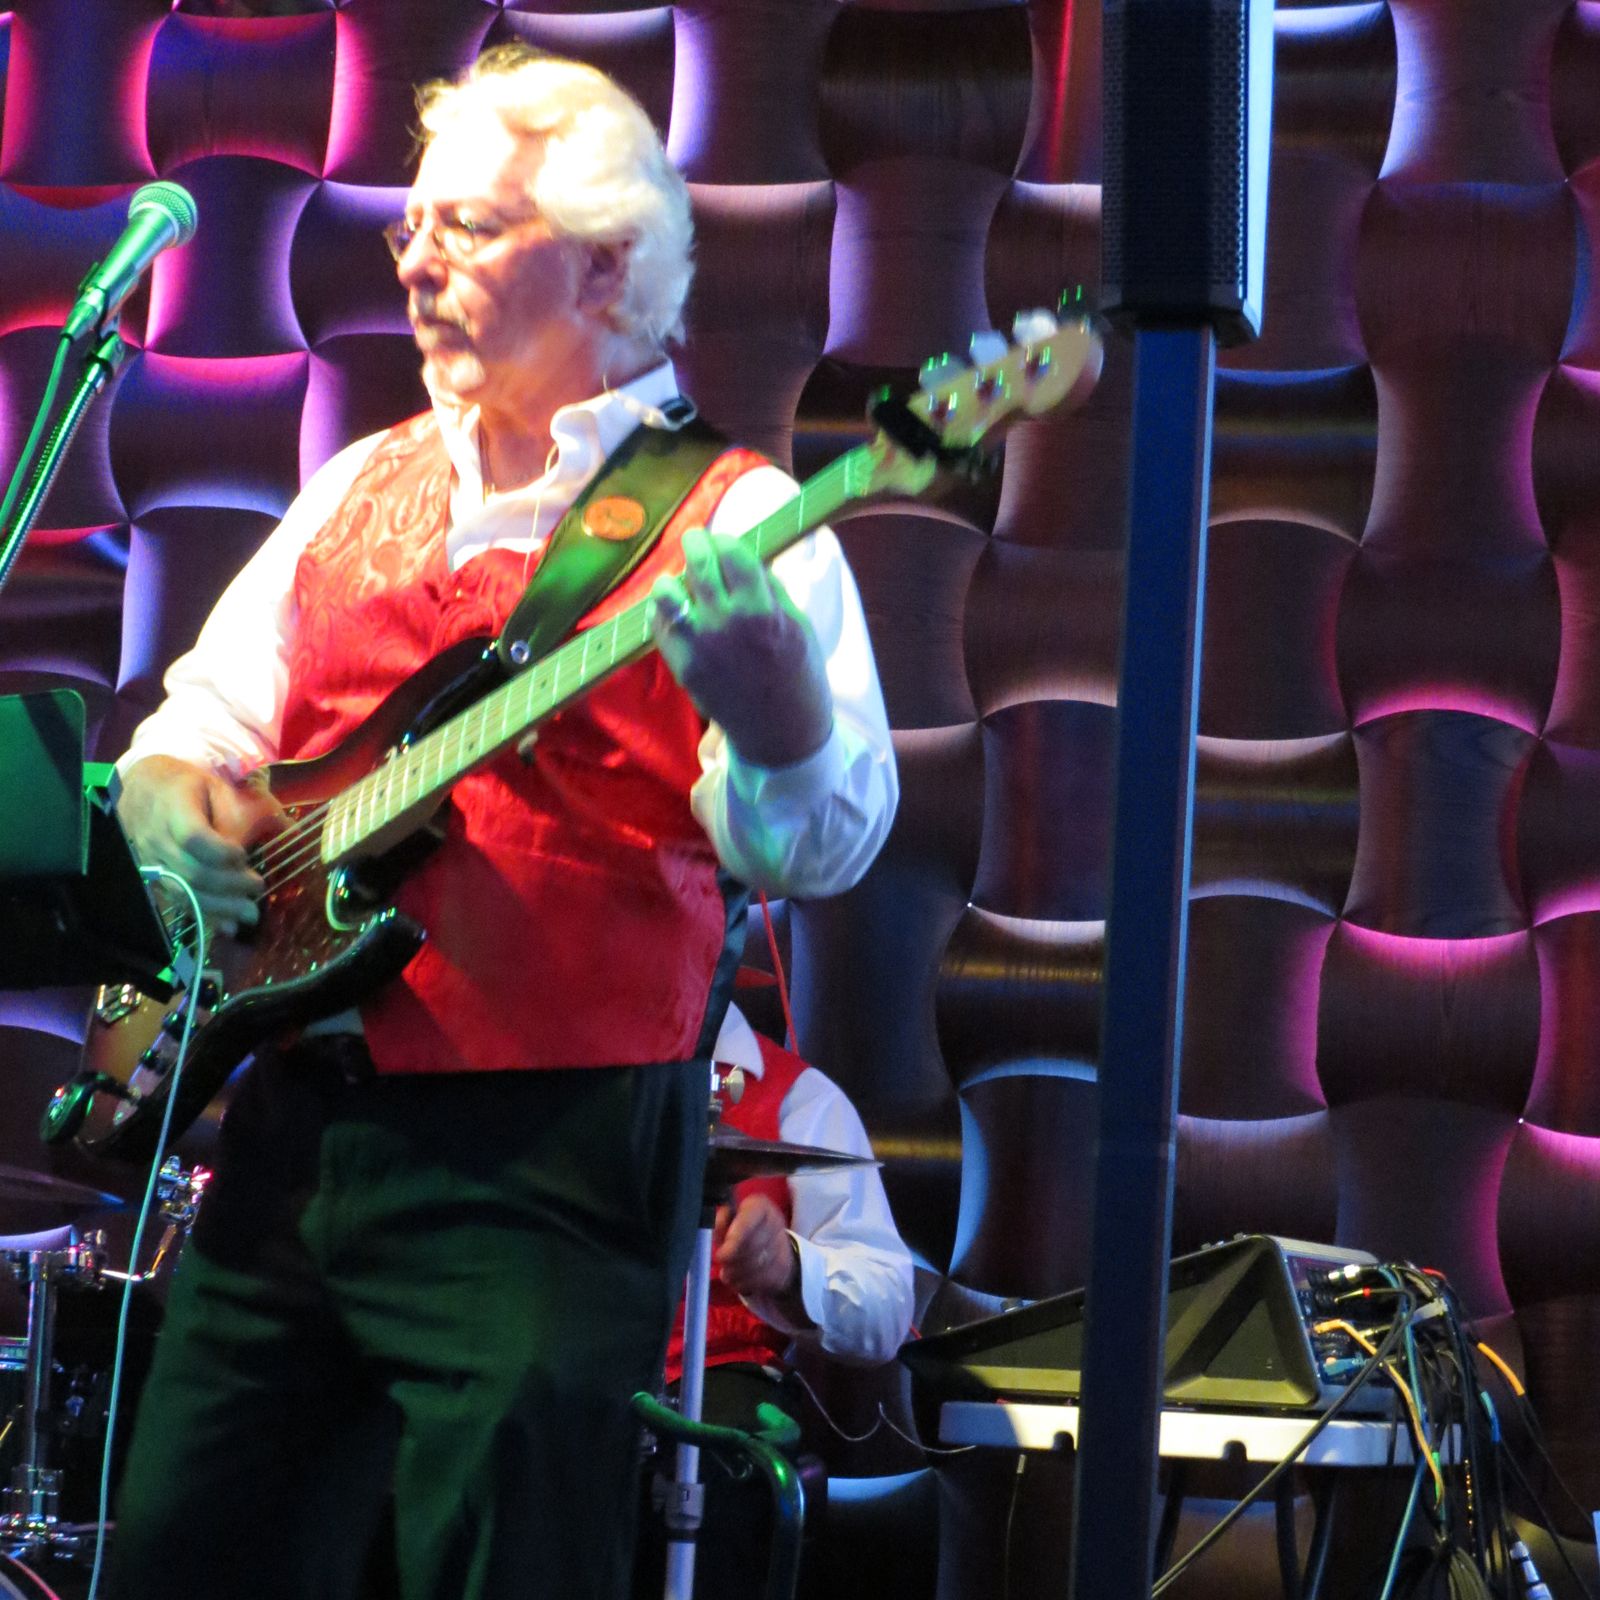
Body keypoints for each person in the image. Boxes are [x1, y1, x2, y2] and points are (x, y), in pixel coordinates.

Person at [103, 44, 896, 1600]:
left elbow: (823, 842)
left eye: (466, 227)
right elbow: (194, 731)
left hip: (549, 1168)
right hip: (292, 1140)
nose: (414, 259)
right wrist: (162, 797)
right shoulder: (355, 485)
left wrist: (782, 720)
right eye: (412, 226)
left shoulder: (737, 518)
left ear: (605, 265)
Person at [634, 1001, 914, 1599]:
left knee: (720, 1467)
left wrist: (789, 1268)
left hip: (714, 1376)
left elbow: (886, 1304)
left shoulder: (800, 1100)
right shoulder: (557, 1069)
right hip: (564, 1363)